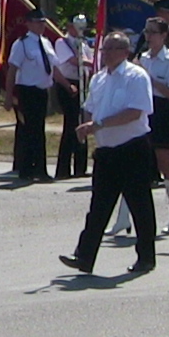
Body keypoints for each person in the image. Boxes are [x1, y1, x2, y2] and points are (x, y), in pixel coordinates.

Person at [60, 31, 157, 275]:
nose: (106, 54)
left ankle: (146, 258)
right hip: (106, 152)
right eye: (104, 49)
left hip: (133, 148)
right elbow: (90, 108)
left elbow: (135, 112)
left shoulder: (136, 77)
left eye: (112, 49)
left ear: (125, 52)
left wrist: (98, 125)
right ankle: (84, 256)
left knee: (140, 206)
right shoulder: (99, 79)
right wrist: (86, 127)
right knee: (99, 206)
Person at [137, 19, 169, 233]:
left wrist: (148, 78)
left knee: (164, 162)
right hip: (144, 110)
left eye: (153, 32)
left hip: (163, 109)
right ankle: (126, 217)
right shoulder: (142, 57)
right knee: (137, 163)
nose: (149, 36)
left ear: (164, 35)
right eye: (147, 32)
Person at [3, 9, 55, 182]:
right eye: (38, 22)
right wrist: (9, 96)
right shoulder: (22, 44)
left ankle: (40, 169)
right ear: (29, 23)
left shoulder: (46, 43)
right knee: (27, 131)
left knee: (39, 131)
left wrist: (67, 86)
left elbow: (54, 68)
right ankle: (26, 169)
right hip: (26, 92)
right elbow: (12, 71)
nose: (42, 26)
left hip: (41, 92)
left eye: (43, 22)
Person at [51, 17, 89, 180]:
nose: (81, 29)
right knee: (71, 124)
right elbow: (74, 61)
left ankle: (80, 166)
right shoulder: (62, 43)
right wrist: (93, 62)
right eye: (77, 26)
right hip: (68, 85)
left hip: (83, 84)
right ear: (69, 26)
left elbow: (88, 61)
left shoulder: (84, 44)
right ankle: (63, 169)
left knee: (82, 123)